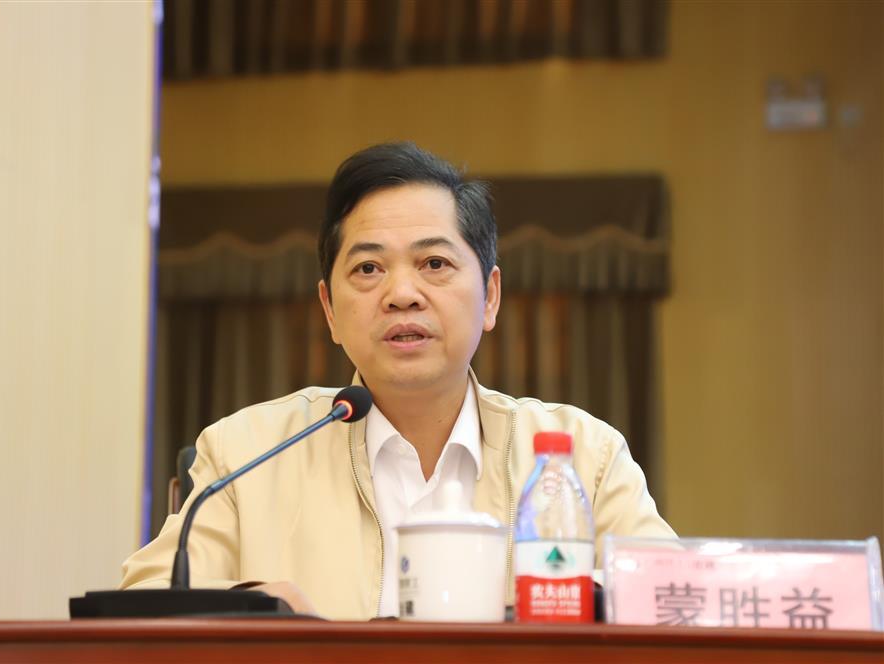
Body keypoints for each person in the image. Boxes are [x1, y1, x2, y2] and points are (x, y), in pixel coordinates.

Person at [120, 142, 675, 619]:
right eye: (368, 268)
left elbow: (672, 602)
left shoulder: (583, 457)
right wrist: (261, 610)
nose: (402, 294)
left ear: (490, 297)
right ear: (329, 310)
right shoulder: (246, 452)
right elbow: (141, 606)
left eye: (434, 264)